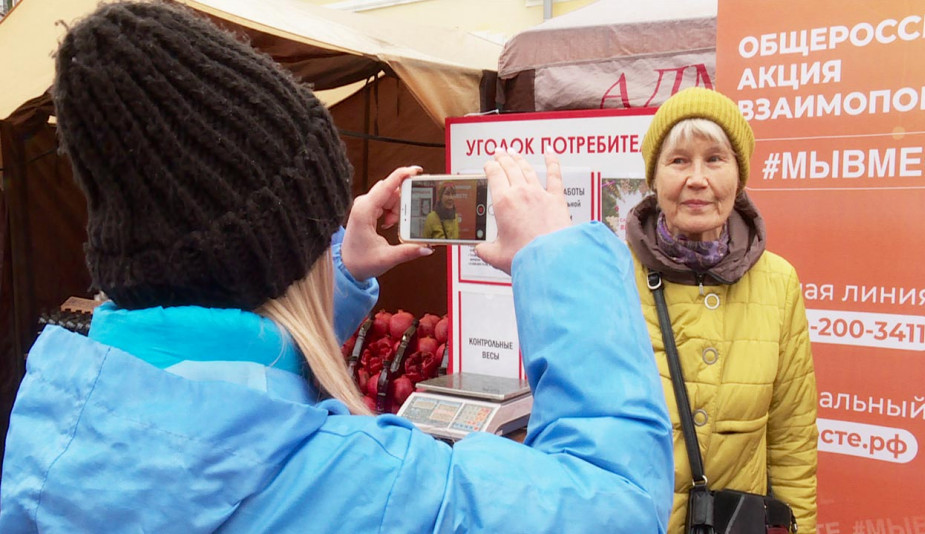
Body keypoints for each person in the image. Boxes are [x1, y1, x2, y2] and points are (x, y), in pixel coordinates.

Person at [0, 3, 673, 532]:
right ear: (283, 254)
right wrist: (554, 259)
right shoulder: (373, 487)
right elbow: (612, 501)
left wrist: (337, 277)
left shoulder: (54, 432)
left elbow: (219, 392)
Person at [626, 87, 818, 532]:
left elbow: (792, 440)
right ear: (654, 178)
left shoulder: (778, 282)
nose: (697, 178)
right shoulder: (613, 275)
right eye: (678, 161)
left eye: (715, 159)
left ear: (738, 175)